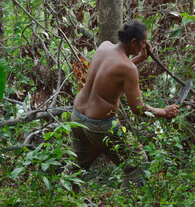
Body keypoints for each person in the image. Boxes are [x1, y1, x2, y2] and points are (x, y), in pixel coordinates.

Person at [66, 19, 179, 191]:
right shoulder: (128, 69)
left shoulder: (104, 47)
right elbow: (138, 108)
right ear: (134, 42)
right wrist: (163, 112)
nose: (144, 47)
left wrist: (140, 58)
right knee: (138, 162)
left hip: (78, 117)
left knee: (75, 167)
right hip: (100, 125)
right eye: (142, 44)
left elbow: (112, 69)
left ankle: (60, 199)